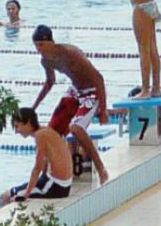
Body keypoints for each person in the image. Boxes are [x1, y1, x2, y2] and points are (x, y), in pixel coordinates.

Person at [29, 25, 110, 184]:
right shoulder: (46, 61)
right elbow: (50, 82)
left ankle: (101, 169)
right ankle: (46, 175)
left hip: (92, 91)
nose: (39, 49)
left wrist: (103, 109)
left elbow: (99, 78)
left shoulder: (70, 53)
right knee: (50, 133)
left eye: (42, 45)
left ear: (51, 42)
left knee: (76, 128)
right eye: (36, 45)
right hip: (75, 91)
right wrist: (34, 107)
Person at [0, 108, 76, 205]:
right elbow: (47, 164)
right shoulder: (46, 130)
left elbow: (37, 168)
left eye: (17, 126)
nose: (16, 131)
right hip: (60, 183)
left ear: (28, 123)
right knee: (10, 193)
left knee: (6, 197)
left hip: (55, 186)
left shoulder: (40, 136)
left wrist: (26, 194)